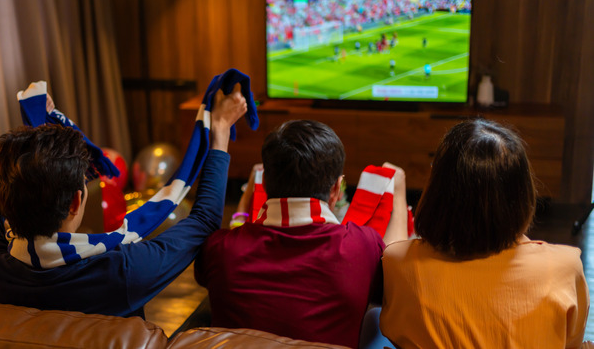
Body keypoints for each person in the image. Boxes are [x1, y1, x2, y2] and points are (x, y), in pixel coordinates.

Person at [0, 87, 247, 317]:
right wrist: (220, 130)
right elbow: (204, 221)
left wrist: (30, 144)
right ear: (76, 201)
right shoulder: (122, 272)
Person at [195, 120, 408, 348]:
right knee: (376, 319)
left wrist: (247, 196)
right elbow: (398, 272)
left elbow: (232, 239)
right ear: (336, 189)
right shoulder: (361, 245)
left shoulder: (219, 248)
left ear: (264, 183)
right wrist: (399, 192)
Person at [380, 119, 589, 348]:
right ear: (523, 194)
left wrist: (398, 196)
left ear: (437, 190)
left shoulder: (398, 262)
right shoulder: (564, 268)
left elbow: (393, 251)